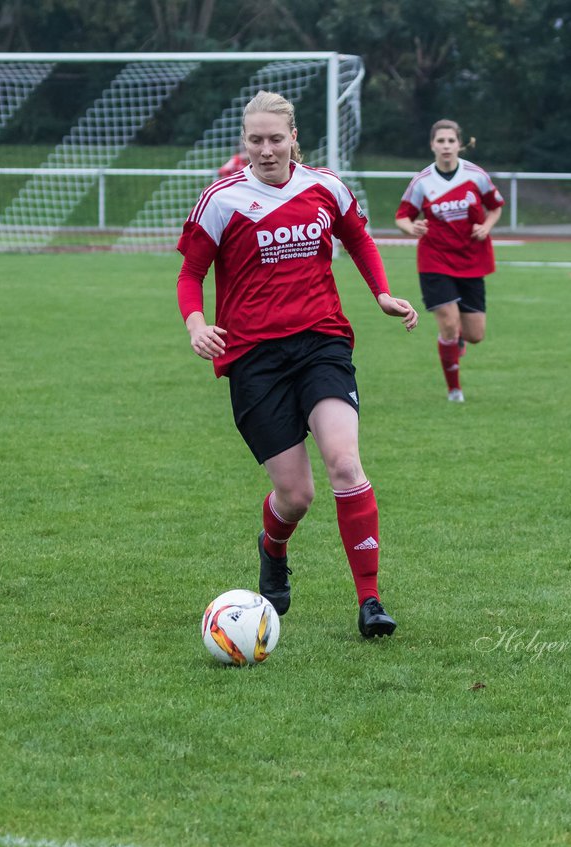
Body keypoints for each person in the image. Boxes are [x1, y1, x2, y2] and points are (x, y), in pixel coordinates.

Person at [177, 90, 418, 639]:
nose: (265, 150)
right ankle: (273, 546)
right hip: (254, 359)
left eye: (275, 139)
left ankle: (371, 600)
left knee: (345, 464)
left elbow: (358, 237)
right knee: (297, 495)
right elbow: (190, 274)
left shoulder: (326, 186)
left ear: (293, 139)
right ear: (245, 143)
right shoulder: (221, 199)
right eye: (255, 140)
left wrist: (382, 293)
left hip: (321, 343)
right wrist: (196, 323)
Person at [395, 119, 505, 403]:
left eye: (451, 141)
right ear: (432, 145)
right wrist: (412, 228)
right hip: (435, 260)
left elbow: (495, 207)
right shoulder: (422, 181)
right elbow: (402, 217)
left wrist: (487, 226)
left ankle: (456, 340)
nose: (446, 146)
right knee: (448, 324)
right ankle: (454, 390)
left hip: (470, 260)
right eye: (440, 141)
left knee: (475, 334)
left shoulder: (476, 175)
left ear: (459, 144)